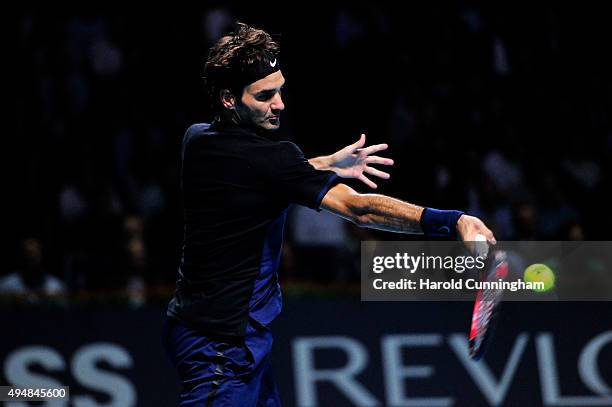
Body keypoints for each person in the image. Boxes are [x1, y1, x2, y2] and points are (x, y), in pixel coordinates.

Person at [163, 22, 495, 406]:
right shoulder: (274, 160)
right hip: (221, 348)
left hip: (195, 327)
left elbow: (258, 178)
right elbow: (361, 210)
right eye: (265, 96)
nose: (280, 104)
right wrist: (455, 221)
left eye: (280, 90)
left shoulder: (198, 139)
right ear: (228, 99)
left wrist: (324, 164)